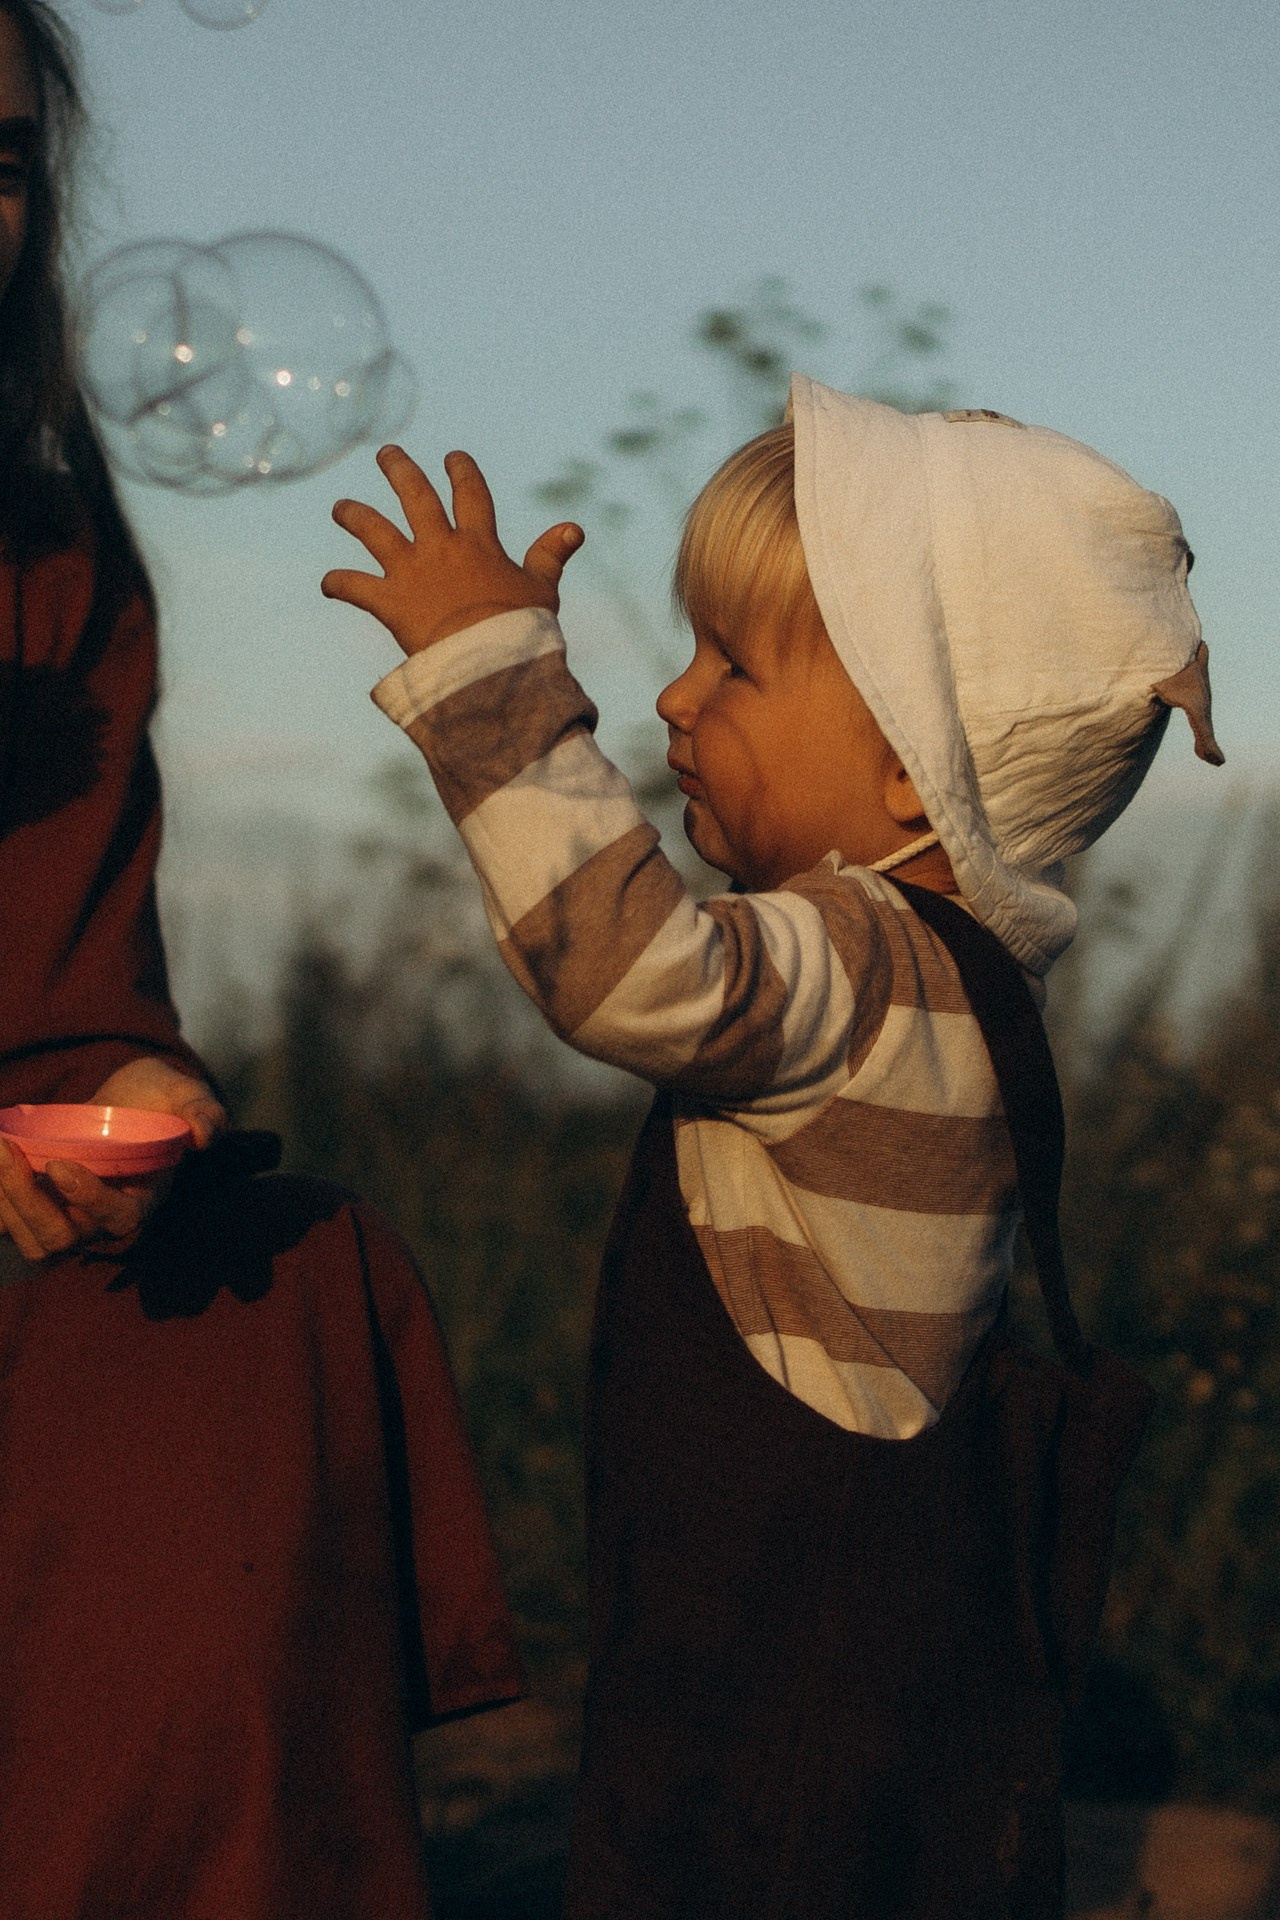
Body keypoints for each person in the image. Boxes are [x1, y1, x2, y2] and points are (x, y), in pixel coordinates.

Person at [323, 391, 1223, 1915]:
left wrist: (493, 679)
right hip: (879, 1715)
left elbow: (625, 967)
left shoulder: (864, 959)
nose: (673, 701)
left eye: (736, 662)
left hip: (767, 1744)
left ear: (912, 776)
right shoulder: (965, 986)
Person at [0, 6, 524, 1916]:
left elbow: (72, 983)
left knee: (290, 1287)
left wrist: (138, 1083)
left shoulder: (53, 555)